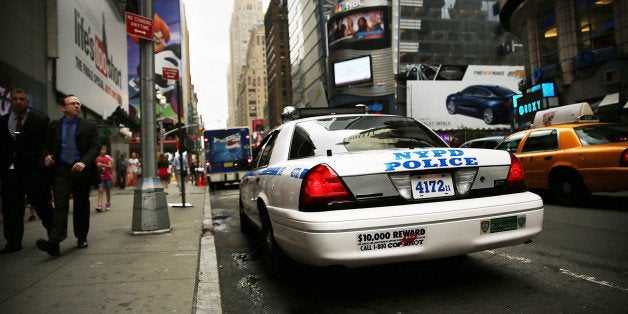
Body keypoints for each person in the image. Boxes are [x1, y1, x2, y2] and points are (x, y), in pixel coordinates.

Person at [36, 94, 99, 256]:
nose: (76, 106)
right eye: (72, 103)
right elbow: (44, 145)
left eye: (78, 103)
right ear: (63, 108)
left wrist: (84, 162)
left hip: (80, 170)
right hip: (61, 170)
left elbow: (95, 147)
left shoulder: (89, 126)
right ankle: (54, 241)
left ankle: (81, 237)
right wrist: (47, 155)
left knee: (81, 205)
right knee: (60, 205)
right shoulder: (54, 126)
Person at [0, 88, 54, 254]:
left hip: (33, 171)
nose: (18, 102)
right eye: (15, 99)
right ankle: (13, 242)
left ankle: (54, 237)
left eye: (21, 99)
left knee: (42, 204)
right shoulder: (3, 121)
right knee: (11, 208)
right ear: (11, 102)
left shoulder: (40, 120)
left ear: (27, 102)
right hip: (10, 172)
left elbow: (48, 143)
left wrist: (45, 161)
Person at [95, 145, 113, 211]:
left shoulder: (107, 158)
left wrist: (102, 164)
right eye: (103, 150)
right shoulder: (97, 159)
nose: (104, 151)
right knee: (100, 190)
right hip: (100, 177)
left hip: (107, 177)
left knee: (108, 191)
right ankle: (99, 205)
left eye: (105, 150)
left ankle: (108, 203)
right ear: (100, 150)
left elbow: (110, 166)